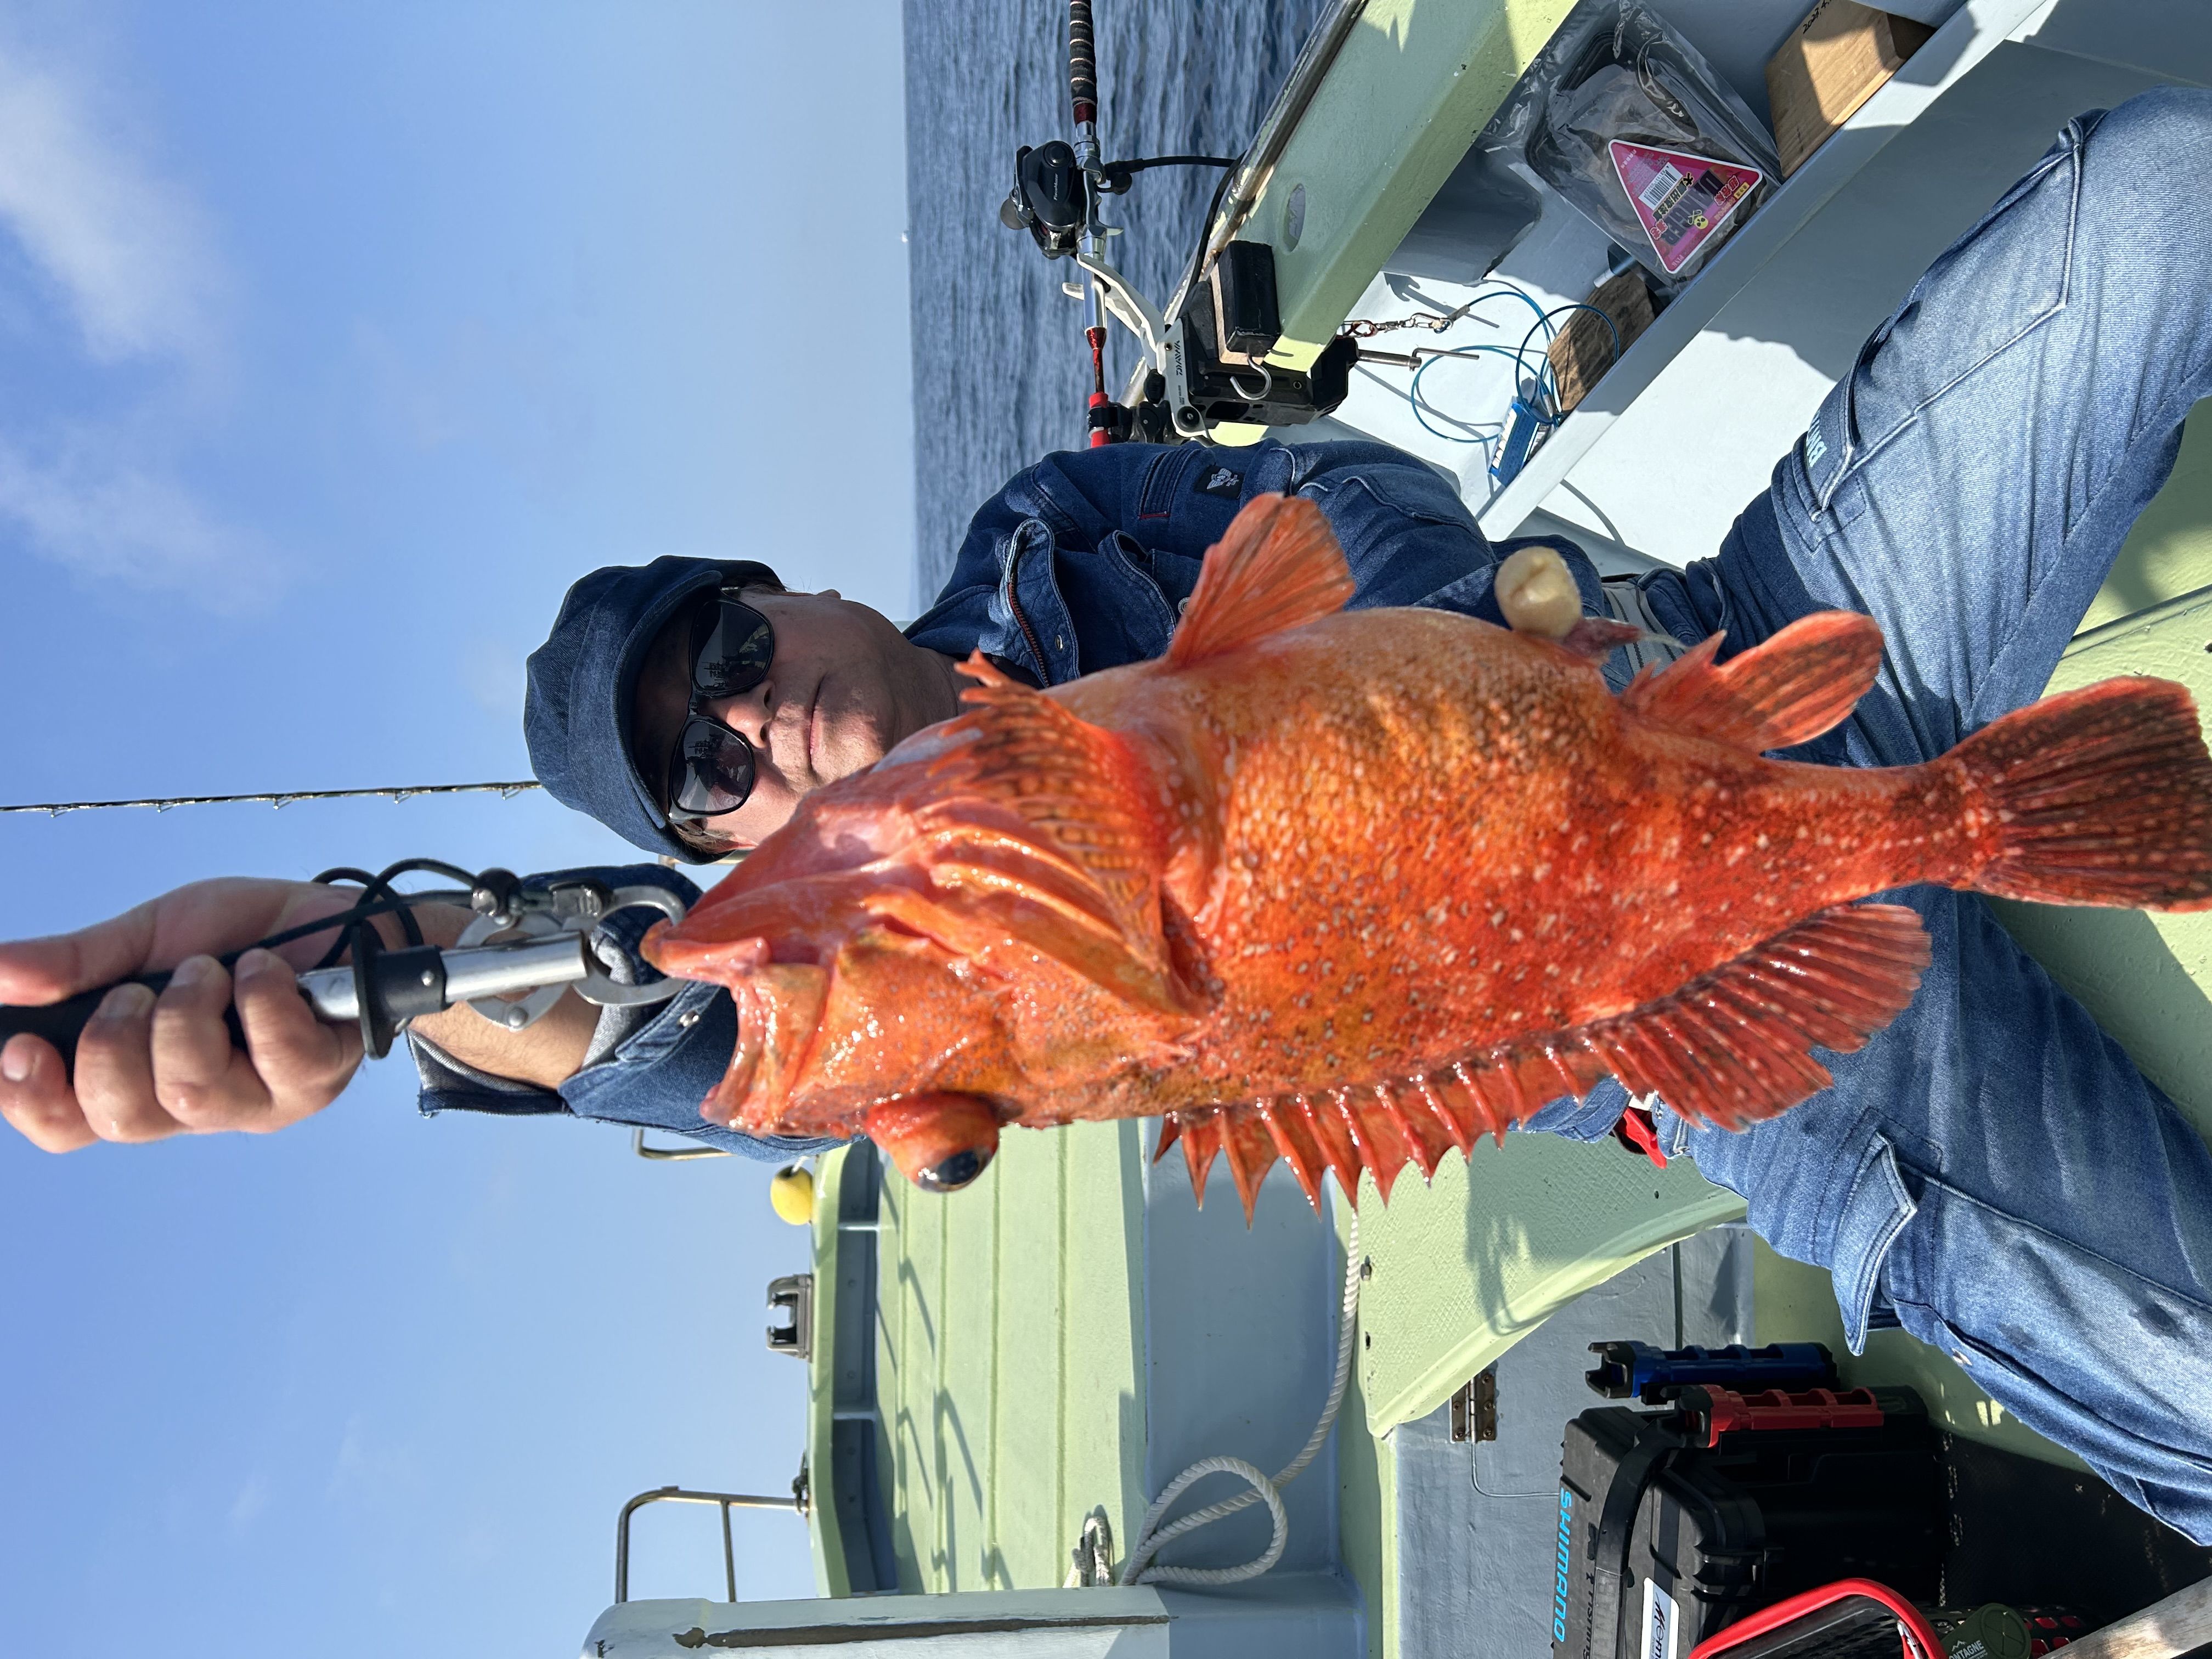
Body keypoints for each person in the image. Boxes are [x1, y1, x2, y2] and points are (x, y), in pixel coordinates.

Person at [4, 91, 2211, 1542]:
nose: (756, 722)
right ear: (732, 854)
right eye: (708, 770)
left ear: (798, 588)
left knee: (2159, 195)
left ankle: (1952, 803)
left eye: (731, 646)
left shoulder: (1056, 532)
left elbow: (1353, 509)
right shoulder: (954, 986)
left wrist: (1348, 698)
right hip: (1728, 1011)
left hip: (1745, 644)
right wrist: (384, 967)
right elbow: (700, 1031)